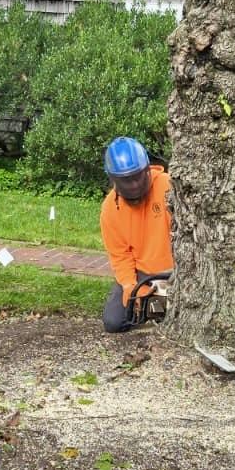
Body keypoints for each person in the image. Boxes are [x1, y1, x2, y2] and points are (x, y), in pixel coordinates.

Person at [99, 136, 172, 332]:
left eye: (137, 176)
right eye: (126, 180)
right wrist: (132, 288)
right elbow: (120, 257)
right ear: (113, 179)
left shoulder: (168, 188)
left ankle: (163, 310)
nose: (133, 185)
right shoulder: (109, 209)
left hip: (176, 269)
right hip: (141, 274)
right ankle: (154, 311)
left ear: (147, 169)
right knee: (114, 322)